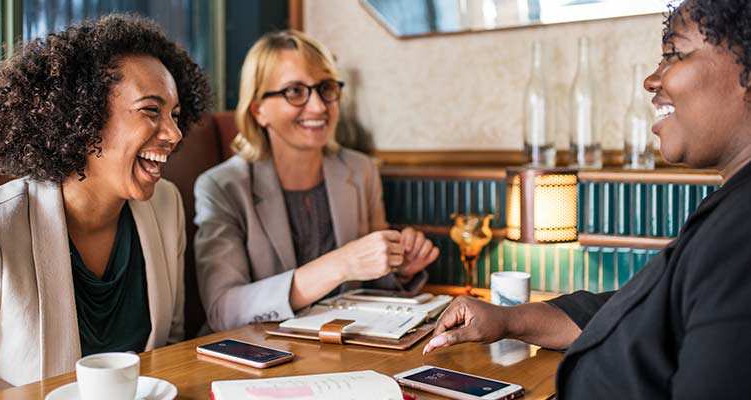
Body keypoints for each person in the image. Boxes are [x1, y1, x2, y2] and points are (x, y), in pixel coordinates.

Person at [424, 1, 751, 398]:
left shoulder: (742, 234)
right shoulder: (730, 208)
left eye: (673, 55)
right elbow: (639, 313)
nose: (651, 80)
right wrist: (508, 319)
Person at [0, 14, 211, 398]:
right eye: (151, 110)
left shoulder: (165, 206)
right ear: (82, 117)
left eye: (176, 115)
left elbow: (166, 352)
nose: (174, 134)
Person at [194, 30, 439, 333]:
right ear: (259, 110)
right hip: (259, 356)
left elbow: (372, 285)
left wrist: (400, 268)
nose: (319, 107)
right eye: (295, 91)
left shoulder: (361, 171)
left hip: (346, 347)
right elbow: (223, 310)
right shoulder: (221, 187)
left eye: (325, 88)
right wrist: (341, 264)